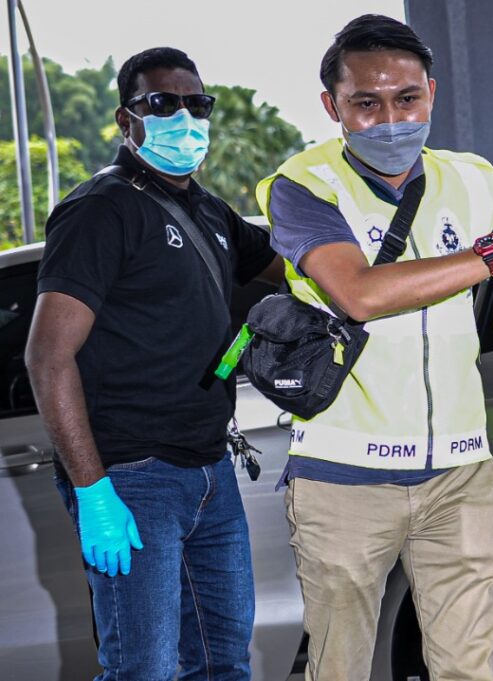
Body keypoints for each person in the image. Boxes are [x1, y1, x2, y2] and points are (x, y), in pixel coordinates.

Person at [254, 15, 493, 680]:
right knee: (341, 667)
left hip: (460, 472)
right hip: (344, 475)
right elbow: (357, 292)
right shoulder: (304, 184)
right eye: (367, 102)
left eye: (407, 99)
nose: (391, 118)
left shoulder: (471, 179)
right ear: (333, 106)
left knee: (469, 668)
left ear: (433, 94)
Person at [25, 47, 283, 679]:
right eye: (162, 103)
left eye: (197, 104)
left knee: (224, 665)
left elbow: (300, 269)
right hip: (133, 476)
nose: (184, 117)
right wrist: (93, 492)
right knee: (144, 670)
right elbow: (46, 355)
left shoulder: (209, 210)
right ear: (126, 118)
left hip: (209, 470)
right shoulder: (101, 210)